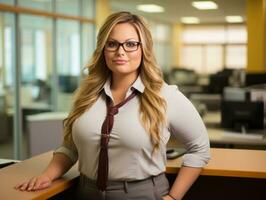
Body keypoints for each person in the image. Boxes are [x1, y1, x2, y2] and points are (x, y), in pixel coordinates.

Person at [15, 11, 210, 200]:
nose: (120, 52)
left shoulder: (166, 96)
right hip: (86, 193)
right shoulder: (86, 95)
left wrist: (174, 198)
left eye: (131, 44)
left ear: (144, 49)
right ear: (103, 49)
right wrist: (46, 175)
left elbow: (200, 148)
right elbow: (70, 147)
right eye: (112, 44)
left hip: (141, 194)